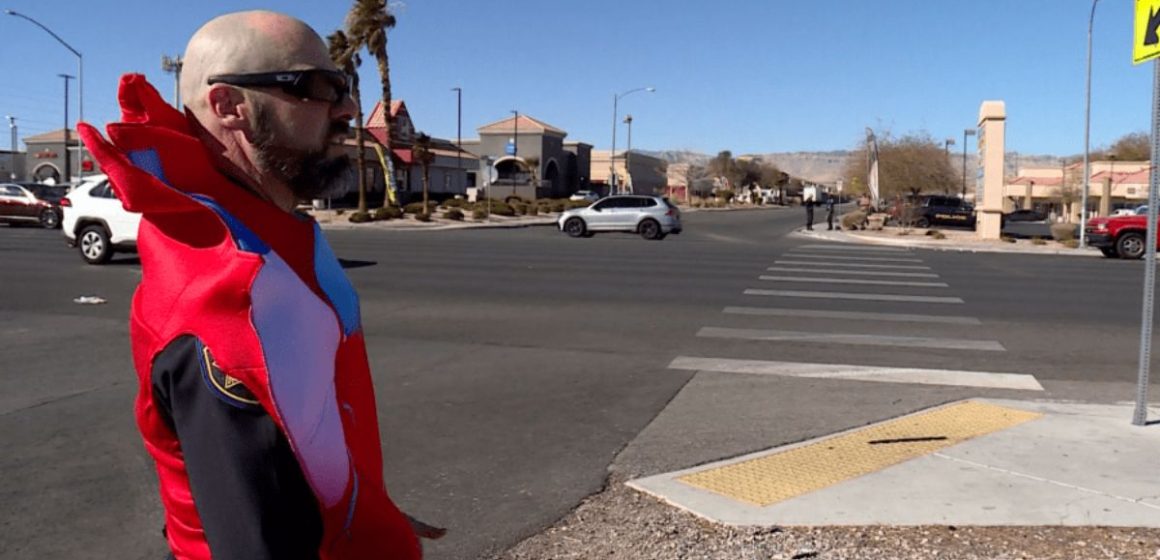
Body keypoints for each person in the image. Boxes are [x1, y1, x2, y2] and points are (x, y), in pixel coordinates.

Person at [77, 11, 442, 559]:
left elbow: (308, 424)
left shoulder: (266, 231)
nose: (346, 109)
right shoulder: (227, 300)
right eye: (319, 88)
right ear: (230, 107)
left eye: (344, 87)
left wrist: (368, 511)